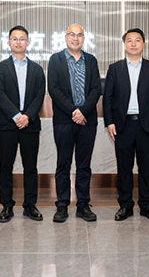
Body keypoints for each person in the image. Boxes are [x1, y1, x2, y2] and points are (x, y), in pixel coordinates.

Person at [103, 28, 149, 222]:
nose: (133, 43)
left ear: (143, 44)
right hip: (123, 125)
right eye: (129, 40)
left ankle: (147, 205)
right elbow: (108, 98)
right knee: (124, 167)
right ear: (124, 45)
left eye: (137, 40)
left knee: (146, 167)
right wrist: (109, 122)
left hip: (147, 125)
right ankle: (125, 205)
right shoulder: (115, 68)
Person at [48, 24, 101, 223]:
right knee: (63, 163)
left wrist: (83, 111)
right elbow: (53, 89)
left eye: (79, 35)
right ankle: (62, 205)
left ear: (84, 38)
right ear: (65, 37)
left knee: (84, 165)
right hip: (64, 120)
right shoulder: (56, 60)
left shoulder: (91, 60)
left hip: (87, 120)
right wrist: (73, 111)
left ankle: (83, 204)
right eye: (72, 34)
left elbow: (96, 88)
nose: (76, 38)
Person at [0, 26, 46, 223]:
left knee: (30, 167)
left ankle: (30, 205)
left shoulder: (37, 69)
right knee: (5, 166)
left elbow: (39, 95)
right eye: (14, 39)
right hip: (7, 124)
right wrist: (16, 116)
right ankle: (7, 205)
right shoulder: (0, 68)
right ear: (8, 42)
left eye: (22, 39)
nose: (18, 42)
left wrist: (27, 116)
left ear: (28, 42)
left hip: (30, 125)